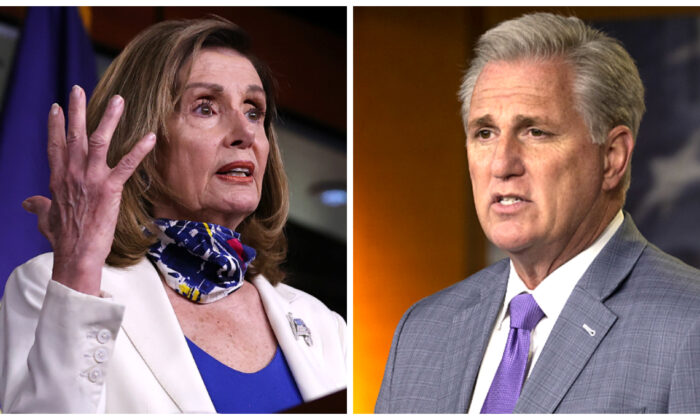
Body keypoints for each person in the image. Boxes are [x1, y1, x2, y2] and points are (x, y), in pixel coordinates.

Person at [0, 17, 346, 413]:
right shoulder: (51, 287)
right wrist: (78, 272)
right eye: (205, 108)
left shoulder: (323, 325)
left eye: (253, 111)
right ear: (141, 142)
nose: (244, 133)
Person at [375, 12, 700, 414]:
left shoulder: (689, 323)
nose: (501, 164)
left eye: (535, 132)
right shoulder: (421, 332)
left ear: (612, 158)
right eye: (484, 133)